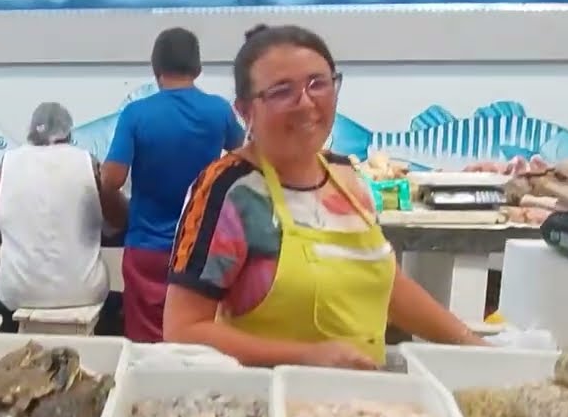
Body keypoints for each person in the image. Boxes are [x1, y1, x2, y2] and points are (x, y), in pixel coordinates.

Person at [164, 24, 485, 369]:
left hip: (359, 406)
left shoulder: (346, 176)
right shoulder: (231, 191)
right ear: (245, 111)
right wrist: (305, 358)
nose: (305, 103)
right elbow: (183, 329)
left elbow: (389, 285)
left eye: (318, 83)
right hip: (269, 402)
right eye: (281, 91)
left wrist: (472, 345)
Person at [100, 27, 245, 343]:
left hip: (146, 249)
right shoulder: (219, 110)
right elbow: (243, 157)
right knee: (192, 338)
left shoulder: (136, 114)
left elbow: (112, 179)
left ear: (155, 68)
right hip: (200, 248)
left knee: (145, 343)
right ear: (198, 67)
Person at [0, 102, 127, 333]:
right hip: (83, 292)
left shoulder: (7, 163)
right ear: (69, 132)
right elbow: (119, 220)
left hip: (18, 292)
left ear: (30, 131)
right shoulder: (87, 162)